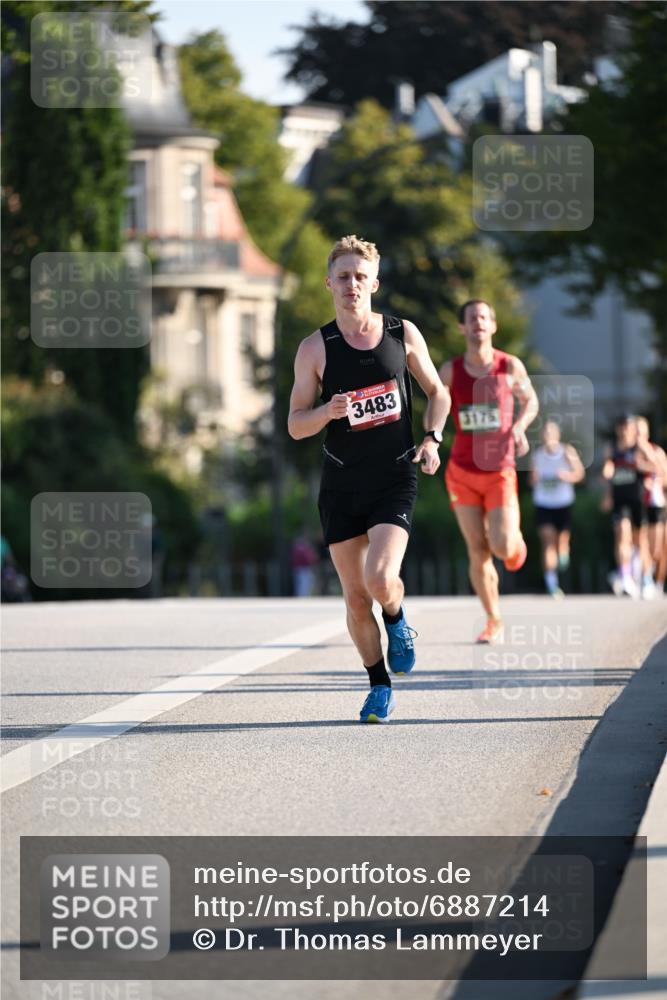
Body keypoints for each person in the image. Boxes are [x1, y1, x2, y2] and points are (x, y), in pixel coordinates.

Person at [287, 235, 449, 723]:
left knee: (381, 578)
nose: (352, 284)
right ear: (329, 283)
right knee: (356, 599)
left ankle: (397, 620)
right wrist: (326, 411)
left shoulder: (402, 333)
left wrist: (433, 439)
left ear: (374, 283)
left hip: (395, 475)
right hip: (341, 485)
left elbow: (438, 393)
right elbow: (296, 424)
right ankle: (378, 686)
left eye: (361, 276)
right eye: (343, 276)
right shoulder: (316, 348)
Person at [438, 300, 539, 643]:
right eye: (471, 318)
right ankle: (493, 619)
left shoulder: (509, 366)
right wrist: (431, 433)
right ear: (462, 328)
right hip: (462, 471)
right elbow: (437, 404)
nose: (478, 322)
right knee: (477, 549)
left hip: (499, 470)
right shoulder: (450, 371)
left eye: (484, 317)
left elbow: (531, 401)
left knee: (500, 546)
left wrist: (521, 427)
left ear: (492, 325)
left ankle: (514, 544)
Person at [601, 414, 657, 599]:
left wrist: (642, 463)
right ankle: (625, 578)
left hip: (637, 499)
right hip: (620, 499)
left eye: (629, 427)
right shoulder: (612, 448)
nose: (625, 430)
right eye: (623, 426)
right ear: (619, 429)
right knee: (621, 535)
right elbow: (607, 469)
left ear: (633, 429)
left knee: (640, 541)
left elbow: (656, 467)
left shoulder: (639, 447)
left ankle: (647, 579)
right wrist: (607, 479)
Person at [530, 420, 585, 597]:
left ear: (557, 435)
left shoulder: (567, 452)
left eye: (550, 433)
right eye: (544, 433)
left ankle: (563, 552)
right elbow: (532, 480)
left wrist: (566, 476)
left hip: (563, 503)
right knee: (547, 541)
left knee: (560, 541)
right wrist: (535, 479)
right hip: (543, 503)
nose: (547, 437)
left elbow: (580, 474)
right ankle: (551, 582)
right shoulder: (537, 456)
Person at [636, 417, 667, 595]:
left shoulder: (656, 451)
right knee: (642, 544)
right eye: (636, 432)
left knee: (657, 548)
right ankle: (645, 578)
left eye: (641, 432)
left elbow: (664, 474)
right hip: (637, 504)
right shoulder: (629, 454)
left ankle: (657, 580)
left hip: (656, 503)